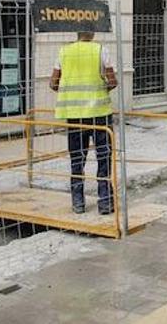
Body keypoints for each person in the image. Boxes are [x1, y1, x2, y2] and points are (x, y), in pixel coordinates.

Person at [50, 31, 117, 215]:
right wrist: (100, 88)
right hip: (99, 114)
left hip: (74, 115)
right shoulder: (101, 50)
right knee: (104, 157)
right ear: (93, 33)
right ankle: (105, 202)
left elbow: (53, 83)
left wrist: (70, 90)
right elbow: (112, 81)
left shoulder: (64, 51)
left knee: (77, 159)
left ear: (77, 33)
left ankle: (78, 202)